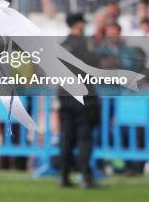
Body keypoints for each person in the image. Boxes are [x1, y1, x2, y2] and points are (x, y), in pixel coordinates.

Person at [59, 13, 99, 188]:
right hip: (84, 97)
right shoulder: (84, 45)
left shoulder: (62, 46)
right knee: (84, 138)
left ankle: (64, 177)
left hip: (65, 96)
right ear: (79, 24)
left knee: (67, 138)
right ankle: (86, 177)